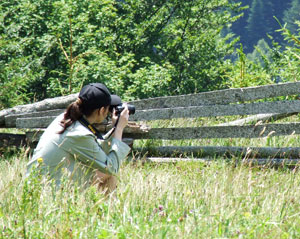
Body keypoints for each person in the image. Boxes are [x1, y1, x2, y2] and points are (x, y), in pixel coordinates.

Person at [26, 83, 131, 194]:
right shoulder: (79, 134)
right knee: (108, 174)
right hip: (46, 192)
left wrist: (115, 127)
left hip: (37, 186)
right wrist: (119, 129)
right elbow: (111, 167)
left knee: (104, 171)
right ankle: (108, 210)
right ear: (101, 110)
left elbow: (98, 151)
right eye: (108, 108)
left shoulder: (65, 118)